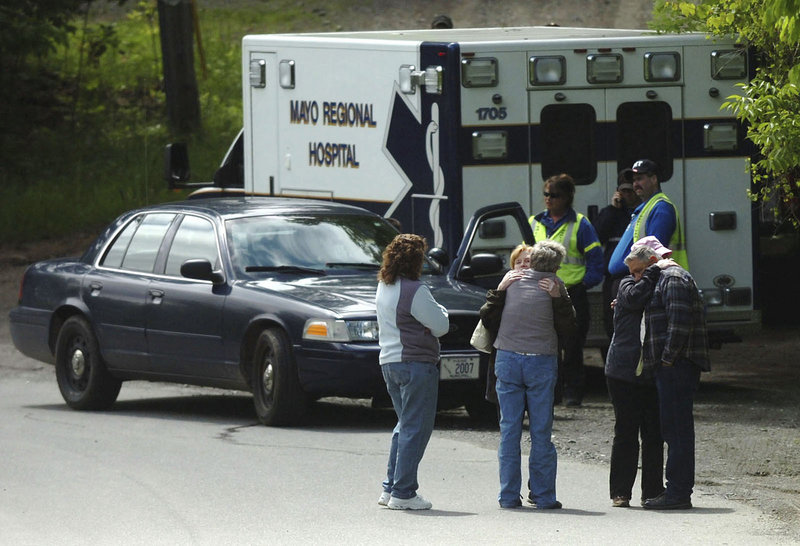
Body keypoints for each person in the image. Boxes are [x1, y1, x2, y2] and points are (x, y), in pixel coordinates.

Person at [487, 240, 577, 509]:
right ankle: (543, 495)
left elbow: (487, 318)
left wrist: (499, 290)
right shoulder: (555, 285)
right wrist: (557, 298)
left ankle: (508, 496)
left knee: (509, 431)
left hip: (507, 358)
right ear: (556, 266)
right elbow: (570, 328)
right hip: (541, 361)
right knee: (541, 432)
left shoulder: (510, 281)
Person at [626, 244, 710, 510]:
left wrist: (667, 359)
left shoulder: (672, 279)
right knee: (674, 430)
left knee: (677, 431)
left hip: (677, 366)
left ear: (652, 260)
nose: (637, 277)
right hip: (673, 365)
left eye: (639, 271)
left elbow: (679, 323)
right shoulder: (663, 278)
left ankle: (678, 492)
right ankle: (676, 490)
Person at [375, 234, 449, 510]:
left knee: (404, 426)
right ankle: (403, 493)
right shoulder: (415, 289)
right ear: (417, 261)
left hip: (390, 362)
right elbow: (441, 324)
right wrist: (438, 312)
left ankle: (390, 487)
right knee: (416, 429)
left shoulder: (385, 286)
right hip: (416, 363)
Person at [604, 236, 672, 508]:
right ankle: (620, 492)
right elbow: (633, 298)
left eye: (640, 270)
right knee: (626, 430)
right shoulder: (628, 285)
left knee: (653, 433)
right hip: (622, 371)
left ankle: (652, 491)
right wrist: (653, 271)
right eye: (633, 271)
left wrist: (655, 272)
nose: (635, 276)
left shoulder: (661, 286)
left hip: (651, 371)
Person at [530, 173, 603, 406]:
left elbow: (596, 261)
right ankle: (552, 393)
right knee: (546, 346)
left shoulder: (581, 224)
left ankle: (573, 393)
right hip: (540, 294)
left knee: (572, 346)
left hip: (571, 294)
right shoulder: (534, 222)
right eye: (546, 194)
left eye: (555, 195)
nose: (549, 199)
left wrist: (583, 285)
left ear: (568, 197)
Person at [608, 159, 688, 278]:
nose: (635, 184)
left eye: (640, 179)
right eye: (634, 180)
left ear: (654, 179)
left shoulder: (661, 208)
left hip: (662, 281)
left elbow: (654, 255)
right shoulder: (646, 207)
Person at [593, 168, 641, 346]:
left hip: (638, 276)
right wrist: (613, 209)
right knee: (611, 323)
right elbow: (597, 235)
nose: (627, 195)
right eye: (624, 191)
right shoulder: (611, 213)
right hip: (614, 279)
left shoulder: (643, 212)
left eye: (631, 190)